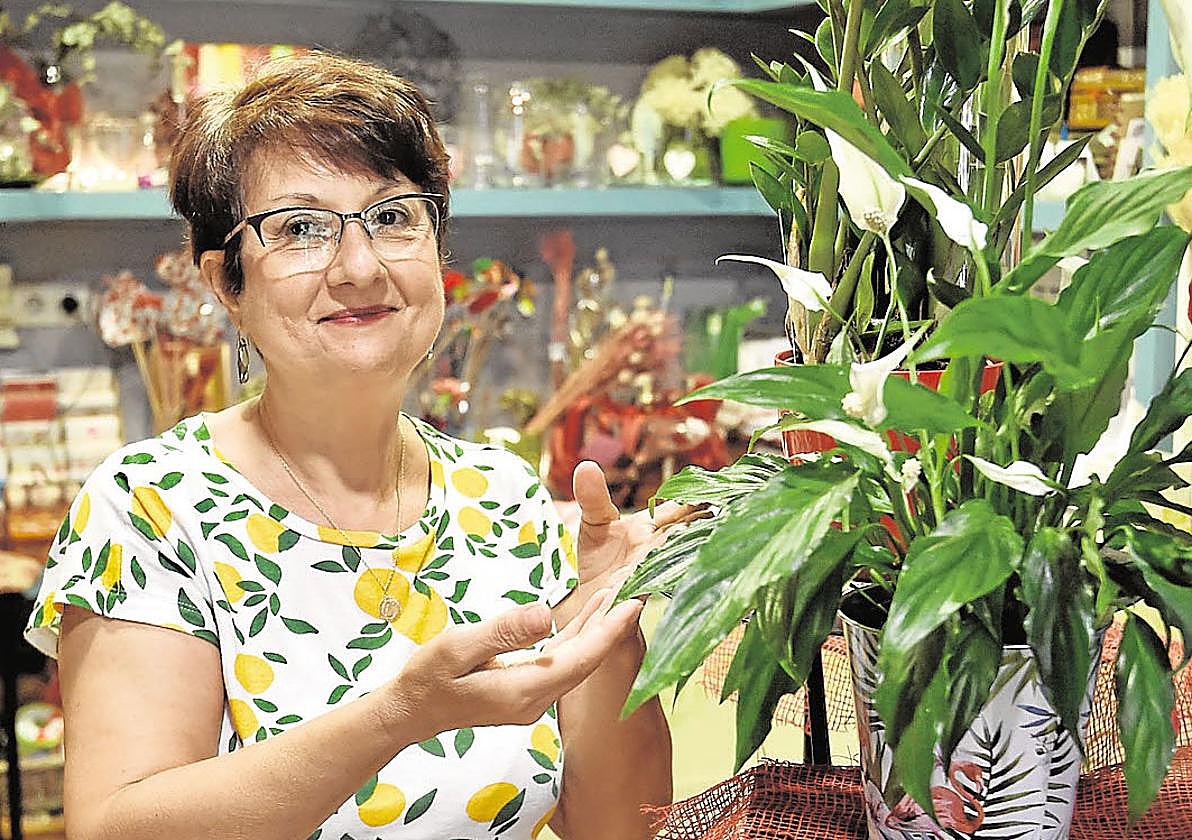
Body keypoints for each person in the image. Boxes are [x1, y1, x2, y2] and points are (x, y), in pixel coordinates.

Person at [24, 52, 694, 840]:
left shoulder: (504, 498)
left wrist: (611, 635)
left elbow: (621, 829)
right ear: (226, 282)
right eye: (300, 228)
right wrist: (398, 717)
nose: (360, 266)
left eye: (392, 216)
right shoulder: (151, 507)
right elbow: (117, 828)